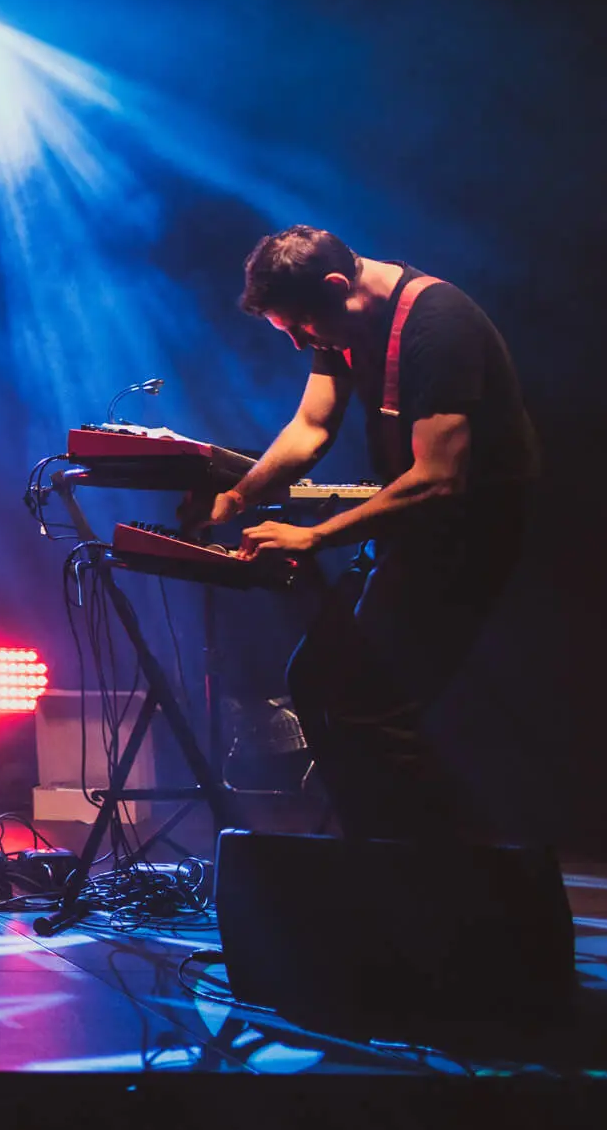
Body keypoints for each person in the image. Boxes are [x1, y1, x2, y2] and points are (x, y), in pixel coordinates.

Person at [185, 225, 537, 839]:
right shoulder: (339, 321)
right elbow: (312, 427)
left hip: (469, 536)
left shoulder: (438, 326)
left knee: (371, 707)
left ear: (336, 286)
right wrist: (237, 497)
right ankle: (373, 852)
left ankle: (465, 863)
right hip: (415, 531)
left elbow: (438, 478)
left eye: (301, 327)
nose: (300, 343)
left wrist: (314, 537)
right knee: (315, 680)